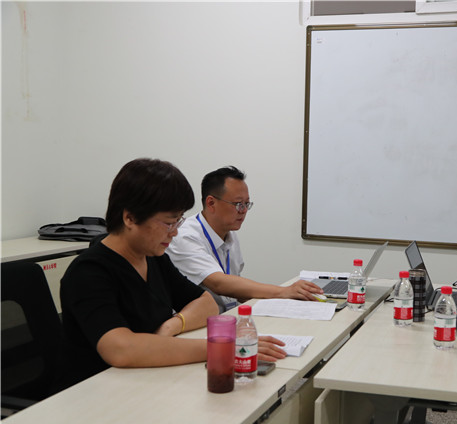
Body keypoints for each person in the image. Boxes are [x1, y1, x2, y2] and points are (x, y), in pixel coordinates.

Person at [56, 159, 285, 392]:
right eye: (168, 223)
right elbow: (120, 349)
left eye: (178, 221)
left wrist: (171, 326)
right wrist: (221, 348)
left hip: (149, 379)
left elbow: (206, 303)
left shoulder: (153, 257)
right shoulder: (88, 272)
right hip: (99, 391)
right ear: (130, 218)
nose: (175, 232)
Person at [166, 166, 323, 314]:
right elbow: (218, 283)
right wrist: (283, 291)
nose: (244, 211)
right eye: (238, 204)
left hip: (227, 316)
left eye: (247, 204)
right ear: (211, 203)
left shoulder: (229, 233)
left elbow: (236, 290)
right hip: (196, 324)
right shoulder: (185, 236)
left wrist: (286, 300)